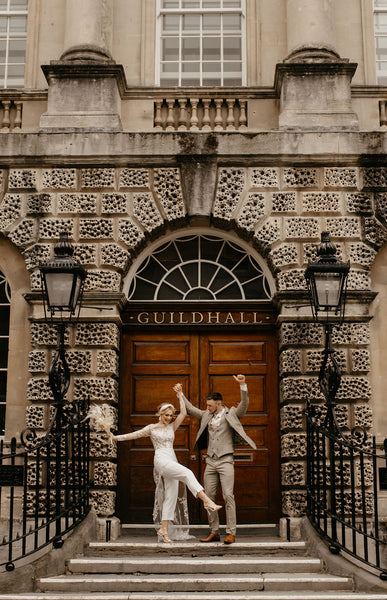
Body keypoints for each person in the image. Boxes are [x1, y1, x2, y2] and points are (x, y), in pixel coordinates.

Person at [109, 388, 221, 543]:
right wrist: (115, 438)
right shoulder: (151, 428)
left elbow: (183, 413)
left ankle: (163, 529)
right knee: (188, 473)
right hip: (161, 460)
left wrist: (180, 395)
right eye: (166, 415)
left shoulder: (171, 427)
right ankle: (207, 501)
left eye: (170, 415)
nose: (169, 418)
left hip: (172, 459)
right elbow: (132, 435)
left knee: (171, 496)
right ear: (159, 415)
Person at [179, 374, 256, 545]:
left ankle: (231, 532)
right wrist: (181, 394)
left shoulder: (232, 414)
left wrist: (243, 385)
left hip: (226, 460)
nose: (207, 407)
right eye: (207, 405)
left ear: (219, 404)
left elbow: (244, 405)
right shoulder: (207, 415)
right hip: (210, 461)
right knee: (208, 497)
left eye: (210, 405)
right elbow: (191, 410)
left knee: (228, 495)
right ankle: (214, 531)